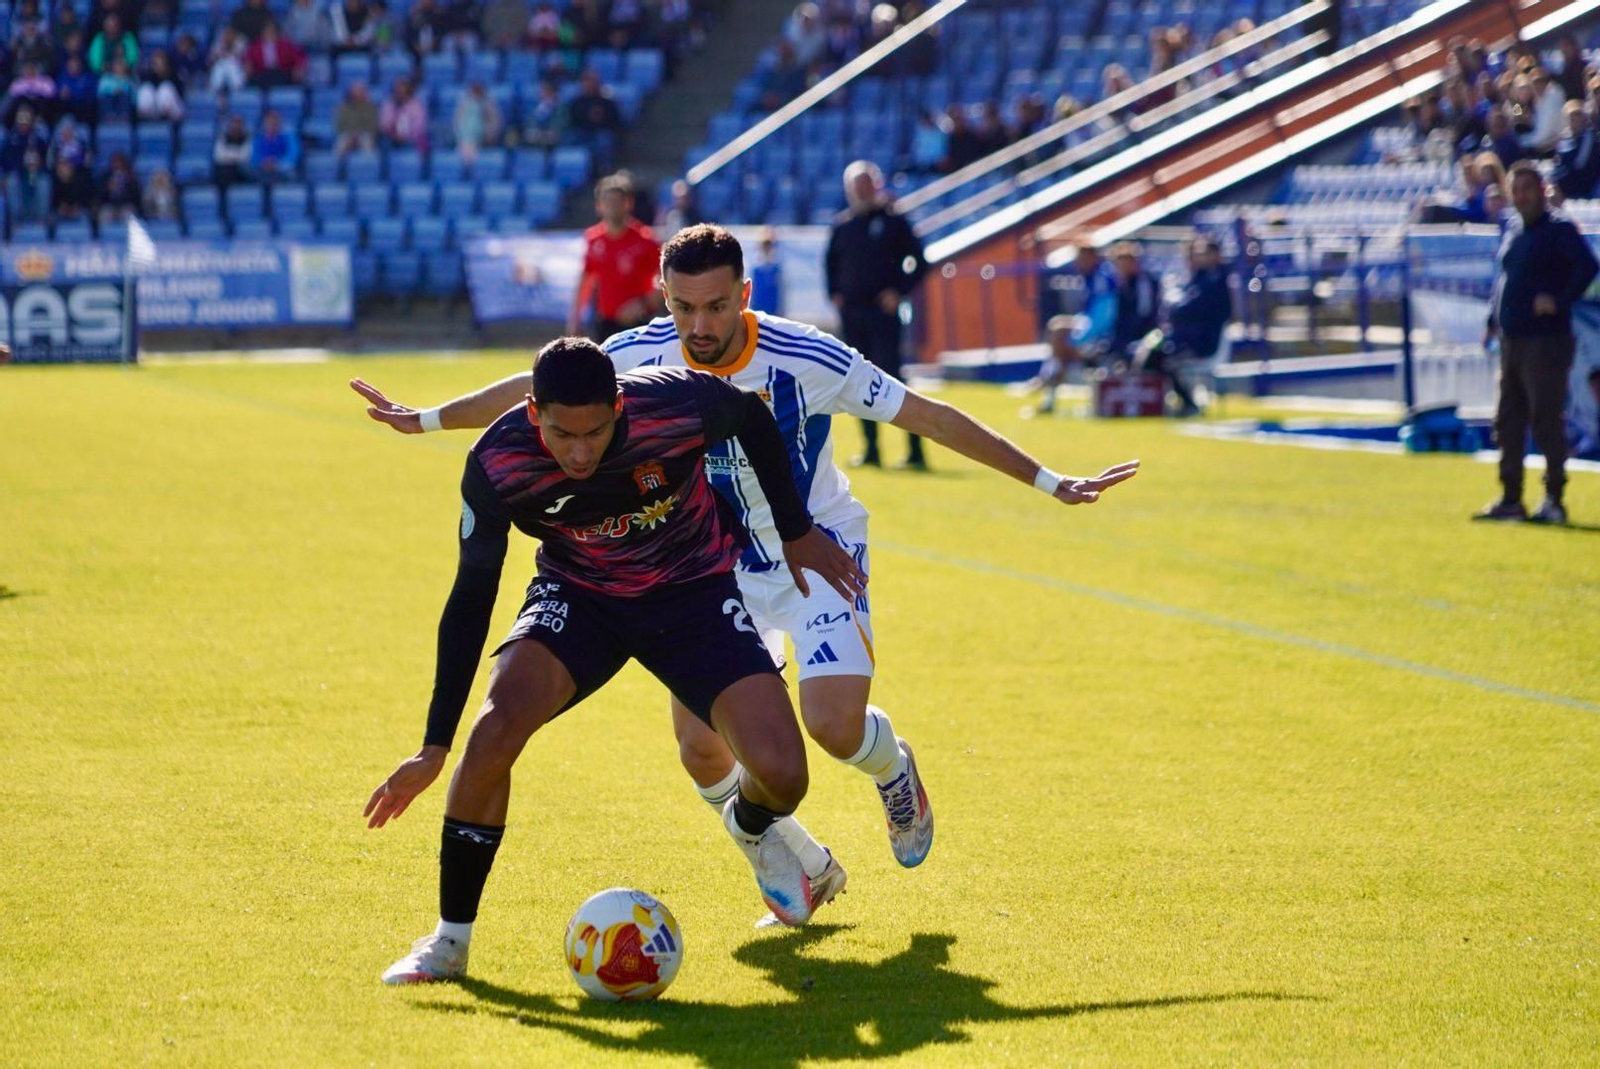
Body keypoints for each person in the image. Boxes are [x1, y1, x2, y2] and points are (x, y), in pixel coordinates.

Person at [349, 225, 1140, 917]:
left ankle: (892, 769)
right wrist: (426, 418)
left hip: (814, 547)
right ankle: (781, 851)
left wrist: (1048, 479)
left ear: (745, 295)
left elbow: (927, 414)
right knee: (702, 751)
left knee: (832, 727)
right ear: (664, 296)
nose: (699, 325)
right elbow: (536, 389)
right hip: (710, 563)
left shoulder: (809, 355)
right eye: (683, 307)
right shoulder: (636, 355)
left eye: (717, 306)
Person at [362, 338, 867, 983]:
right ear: (533, 411)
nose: (579, 453)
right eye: (561, 434)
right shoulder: (497, 463)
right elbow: (470, 600)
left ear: (619, 406)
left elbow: (749, 414)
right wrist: (434, 746)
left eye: (595, 433)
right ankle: (448, 943)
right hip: (580, 596)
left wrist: (794, 528)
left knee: (784, 775)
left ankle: (751, 826)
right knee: (494, 731)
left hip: (692, 592)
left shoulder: (676, 404)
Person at [1475, 162, 1599, 525]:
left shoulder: (1558, 229)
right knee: (1508, 421)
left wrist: (1559, 300)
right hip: (1512, 339)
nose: (1521, 197)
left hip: (1545, 340)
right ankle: (1511, 498)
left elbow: (1588, 268)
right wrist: (1492, 319)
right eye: (1515, 190)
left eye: (1527, 190)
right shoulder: (1514, 229)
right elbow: (1505, 279)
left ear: (1542, 191)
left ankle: (1554, 499)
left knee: (1545, 420)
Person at [825, 160, 928, 469]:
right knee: (857, 380)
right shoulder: (842, 225)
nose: (860, 193)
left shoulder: (893, 222)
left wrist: (898, 291)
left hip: (883, 313)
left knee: (894, 378)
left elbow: (920, 261)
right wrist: (835, 293)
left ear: (876, 186)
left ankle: (915, 450)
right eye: (854, 188)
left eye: (864, 186)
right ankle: (871, 449)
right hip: (853, 313)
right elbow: (830, 264)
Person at [1136, 236, 1232, 416]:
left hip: (1203, 342)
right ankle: (1161, 404)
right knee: (1152, 354)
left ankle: (1187, 404)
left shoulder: (1217, 279)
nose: (1199, 257)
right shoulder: (1199, 278)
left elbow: (1190, 308)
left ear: (1216, 255)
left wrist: (1177, 307)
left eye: (1204, 253)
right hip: (1186, 339)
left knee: (1164, 361)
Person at [567, 174, 661, 340]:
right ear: (599, 206)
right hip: (605, 323)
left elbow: (665, 281)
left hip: (638, 324)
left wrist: (642, 303)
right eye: (608, 202)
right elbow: (587, 277)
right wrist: (575, 317)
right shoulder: (594, 239)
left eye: (617, 202)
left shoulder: (646, 240)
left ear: (628, 204)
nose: (613, 207)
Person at [1028, 245, 1118, 416]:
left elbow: (1105, 316)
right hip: (1092, 332)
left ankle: (1047, 385)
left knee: (1059, 340)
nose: (1078, 263)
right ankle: (1048, 388)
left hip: (1104, 337)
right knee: (1057, 332)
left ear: (1093, 257)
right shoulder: (1092, 277)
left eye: (1082, 258)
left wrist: (1079, 339)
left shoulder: (1102, 278)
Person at [1552, 101, 1599, 202]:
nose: (1573, 119)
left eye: (1577, 115)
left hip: (1583, 186)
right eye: (1571, 116)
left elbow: (1579, 164)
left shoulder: (1589, 138)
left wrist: (1560, 182)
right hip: (1565, 183)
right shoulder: (1564, 138)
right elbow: (1557, 162)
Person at [244, 21, 307, 89]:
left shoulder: (285, 45)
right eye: (267, 32)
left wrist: (298, 68)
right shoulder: (255, 46)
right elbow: (248, 59)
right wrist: (248, 65)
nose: (269, 34)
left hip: (281, 73)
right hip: (263, 73)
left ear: (277, 33)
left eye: (272, 32)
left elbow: (300, 57)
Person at [451, 81, 502, 164]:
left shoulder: (489, 105)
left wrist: (488, 136)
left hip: (483, 140)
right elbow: (457, 123)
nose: (475, 97)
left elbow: (495, 124)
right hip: (465, 139)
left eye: (477, 94)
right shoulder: (464, 104)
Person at [379, 76, 428, 152]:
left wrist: (405, 136)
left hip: (410, 140)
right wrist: (392, 131)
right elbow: (383, 123)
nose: (399, 94)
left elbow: (419, 127)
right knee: (382, 142)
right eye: (397, 92)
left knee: (422, 141)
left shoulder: (416, 106)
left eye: (402, 92)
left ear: (408, 92)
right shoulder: (389, 104)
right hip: (391, 139)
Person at [251, 108, 300, 183]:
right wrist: (263, 162)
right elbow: (254, 155)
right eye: (269, 122)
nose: (272, 124)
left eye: (275, 121)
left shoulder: (289, 136)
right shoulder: (259, 137)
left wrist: (277, 164)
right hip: (262, 169)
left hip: (282, 169)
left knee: (285, 172)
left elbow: (293, 154)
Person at [136, 50, 186, 121]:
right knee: (146, 88)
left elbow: (180, 97)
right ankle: (144, 117)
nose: (159, 67)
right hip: (155, 111)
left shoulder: (175, 77)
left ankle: (167, 117)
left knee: (165, 88)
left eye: (161, 64)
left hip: (175, 112)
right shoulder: (149, 76)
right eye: (155, 64)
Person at [334, 81, 379, 158]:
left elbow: (373, 126)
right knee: (341, 143)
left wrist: (359, 134)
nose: (358, 94)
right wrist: (352, 134)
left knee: (367, 143)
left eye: (360, 92)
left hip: (365, 135)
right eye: (356, 92)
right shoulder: (343, 107)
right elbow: (339, 125)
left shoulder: (371, 108)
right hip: (348, 134)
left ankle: (367, 164)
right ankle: (336, 164)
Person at [97, 150, 140, 223]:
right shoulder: (106, 176)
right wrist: (108, 188)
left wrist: (126, 186)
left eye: (119, 163)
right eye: (115, 162)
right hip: (109, 205)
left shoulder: (131, 176)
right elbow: (100, 196)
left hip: (126, 205)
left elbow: (136, 196)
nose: (117, 165)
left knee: (129, 215)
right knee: (104, 214)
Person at [748, 227, 782, 315]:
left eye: (769, 245)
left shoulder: (776, 268)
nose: (766, 248)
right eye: (764, 245)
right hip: (758, 308)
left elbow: (781, 291)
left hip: (773, 309)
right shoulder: (755, 268)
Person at [213, 112, 252, 187]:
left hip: (239, 170)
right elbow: (219, 156)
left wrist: (228, 154)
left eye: (238, 123)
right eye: (234, 123)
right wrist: (236, 154)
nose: (236, 126)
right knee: (220, 170)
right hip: (224, 169)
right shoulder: (222, 137)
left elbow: (245, 156)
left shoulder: (247, 137)